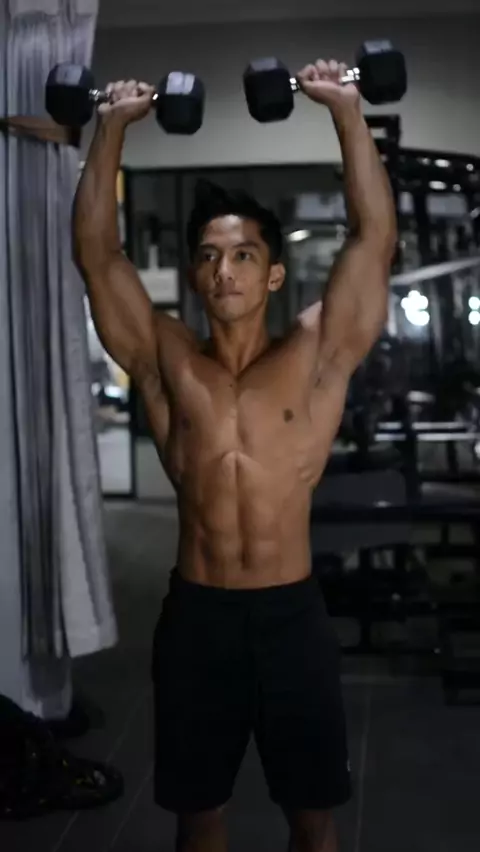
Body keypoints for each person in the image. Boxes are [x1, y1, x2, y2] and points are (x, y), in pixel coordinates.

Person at [73, 59, 396, 852]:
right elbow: (99, 257)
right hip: (199, 620)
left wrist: (346, 111)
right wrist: (108, 129)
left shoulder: (317, 355)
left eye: (244, 254)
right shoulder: (167, 359)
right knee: (200, 814)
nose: (224, 270)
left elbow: (373, 239)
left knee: (313, 819)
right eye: (210, 256)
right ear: (195, 274)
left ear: (274, 273)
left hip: (292, 619)